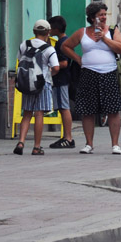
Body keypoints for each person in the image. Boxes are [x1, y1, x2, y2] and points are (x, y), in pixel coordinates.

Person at [61, 2, 121, 155]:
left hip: (109, 72)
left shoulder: (112, 31)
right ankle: (89, 144)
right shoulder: (82, 32)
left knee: (113, 109)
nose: (104, 17)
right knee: (88, 110)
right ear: (92, 18)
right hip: (88, 73)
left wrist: (104, 38)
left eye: (105, 14)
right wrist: (77, 58)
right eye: (100, 15)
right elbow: (65, 46)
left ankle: (115, 144)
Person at [14, 20, 59, 156]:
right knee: (39, 114)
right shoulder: (49, 49)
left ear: (34, 32)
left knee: (27, 113)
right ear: (48, 32)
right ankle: (37, 147)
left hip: (27, 83)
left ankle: (21, 142)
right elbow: (56, 67)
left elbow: (19, 60)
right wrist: (49, 74)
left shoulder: (24, 45)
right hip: (42, 84)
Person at [47, 16, 76, 149]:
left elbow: (64, 63)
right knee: (63, 107)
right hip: (63, 79)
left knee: (64, 108)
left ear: (56, 29)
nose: (49, 30)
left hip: (60, 79)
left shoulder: (61, 43)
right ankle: (66, 137)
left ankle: (67, 137)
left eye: (50, 28)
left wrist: (51, 67)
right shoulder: (65, 40)